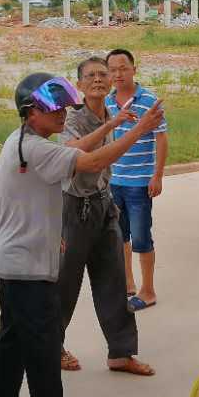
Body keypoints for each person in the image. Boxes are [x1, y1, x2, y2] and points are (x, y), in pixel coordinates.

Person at [0, 72, 165, 397]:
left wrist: (114, 125)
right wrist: (140, 130)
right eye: (55, 109)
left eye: (65, 107)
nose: (64, 113)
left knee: (13, 336)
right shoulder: (38, 150)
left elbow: (79, 148)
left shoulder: (23, 141)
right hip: (27, 265)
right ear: (31, 112)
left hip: (13, 258)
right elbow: (92, 160)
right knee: (43, 346)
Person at [57, 57, 155, 377]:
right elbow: (78, 154)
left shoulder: (112, 111)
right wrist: (115, 127)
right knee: (65, 284)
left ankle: (121, 353)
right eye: (90, 76)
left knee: (114, 281)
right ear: (79, 85)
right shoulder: (72, 117)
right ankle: (52, 347)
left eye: (103, 74)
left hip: (103, 203)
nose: (98, 79)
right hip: (74, 208)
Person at [104, 48, 167, 311]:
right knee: (120, 236)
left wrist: (157, 175)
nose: (118, 74)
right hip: (114, 181)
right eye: (113, 70)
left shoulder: (149, 100)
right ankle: (128, 282)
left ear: (134, 70)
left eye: (123, 68)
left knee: (141, 238)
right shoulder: (107, 102)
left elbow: (161, 138)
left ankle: (148, 290)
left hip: (140, 182)